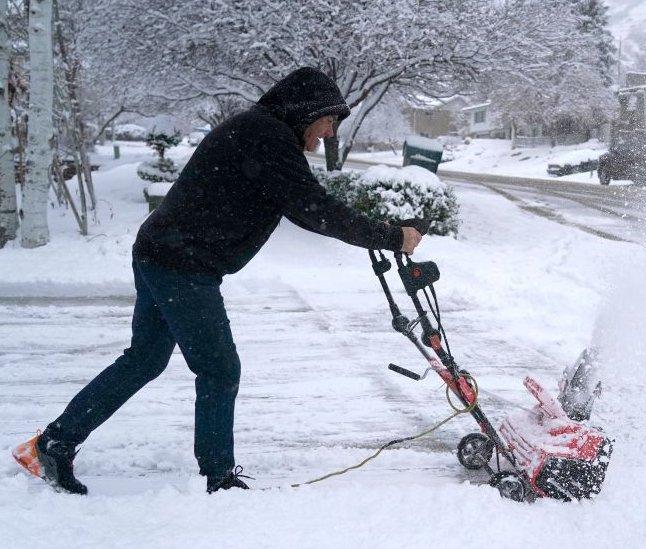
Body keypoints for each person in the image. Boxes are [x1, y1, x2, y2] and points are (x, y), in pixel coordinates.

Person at [11, 67, 423, 495]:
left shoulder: (260, 131)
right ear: (308, 111)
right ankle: (218, 476)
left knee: (145, 360)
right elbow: (315, 209)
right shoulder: (268, 138)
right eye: (330, 122)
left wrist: (380, 233)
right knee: (219, 369)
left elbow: (309, 205)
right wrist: (393, 236)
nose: (330, 134)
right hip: (182, 265)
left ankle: (54, 443)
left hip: (161, 252)